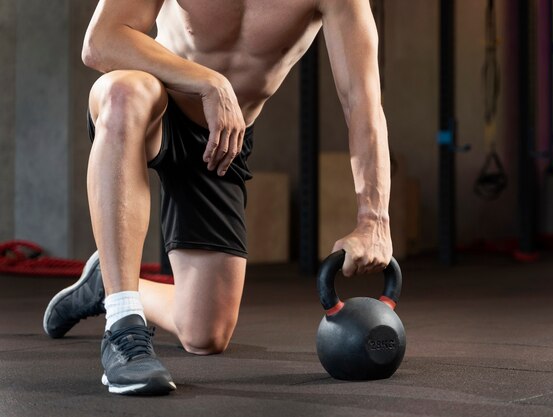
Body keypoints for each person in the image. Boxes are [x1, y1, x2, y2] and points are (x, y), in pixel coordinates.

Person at [43, 0, 393, 396]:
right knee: (124, 91)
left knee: (205, 334)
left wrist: (374, 221)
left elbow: (362, 102)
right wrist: (208, 81)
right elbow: (102, 40)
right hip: (153, 102)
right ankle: (123, 325)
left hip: (222, 143)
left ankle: (107, 284)